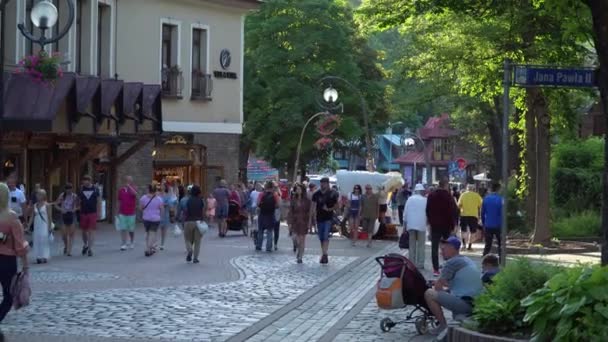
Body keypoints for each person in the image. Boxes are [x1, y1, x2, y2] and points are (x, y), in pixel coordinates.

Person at [424, 237, 483, 338]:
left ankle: (442, 325)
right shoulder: (466, 260)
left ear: (452, 248)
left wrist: (441, 295)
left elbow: (438, 287)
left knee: (429, 293)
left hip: (465, 303)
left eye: (443, 249)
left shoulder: (452, 262)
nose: (441, 253)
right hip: (475, 303)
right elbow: (460, 283)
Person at [0, 182, 29, 332]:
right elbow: (20, 245)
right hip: (7, 261)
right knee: (9, 295)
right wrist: (25, 264)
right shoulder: (12, 217)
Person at [426, 178, 458, 276]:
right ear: (446, 185)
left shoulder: (431, 195)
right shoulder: (448, 196)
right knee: (447, 246)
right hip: (446, 225)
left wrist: (430, 222)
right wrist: (454, 225)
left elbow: (428, 210)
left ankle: (436, 269)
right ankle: (447, 266)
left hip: (435, 225)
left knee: (434, 247)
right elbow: (453, 211)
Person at [311, 177, 339, 264]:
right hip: (319, 218)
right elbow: (313, 206)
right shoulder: (316, 194)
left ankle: (324, 254)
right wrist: (313, 216)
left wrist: (329, 209)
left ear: (327, 183)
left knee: (326, 236)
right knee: (321, 237)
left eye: (324, 183)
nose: (322, 184)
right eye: (321, 183)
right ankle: (324, 253)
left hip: (328, 218)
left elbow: (337, 205)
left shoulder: (333, 193)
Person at [403, 184, 428, 269]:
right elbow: (427, 213)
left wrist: (404, 226)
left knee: (412, 245)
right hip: (421, 225)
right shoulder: (425, 200)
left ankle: (411, 263)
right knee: (421, 245)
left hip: (411, 225)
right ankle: (420, 263)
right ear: (422, 191)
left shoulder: (410, 199)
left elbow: (405, 213)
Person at [78, 175, 101, 257]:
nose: (84, 182)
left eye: (86, 181)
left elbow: (98, 201)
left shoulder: (95, 189)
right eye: (83, 181)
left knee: (91, 231)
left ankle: (90, 249)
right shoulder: (81, 189)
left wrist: (99, 212)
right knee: (84, 231)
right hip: (83, 212)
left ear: (89, 181)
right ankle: (85, 244)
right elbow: (79, 201)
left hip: (92, 212)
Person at [288, 183, 312, 264]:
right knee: (295, 238)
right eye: (296, 189)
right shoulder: (293, 200)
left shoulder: (307, 200)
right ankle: (297, 248)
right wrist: (290, 222)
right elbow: (290, 211)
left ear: (302, 190)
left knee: (302, 240)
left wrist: (309, 223)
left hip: (304, 221)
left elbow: (309, 212)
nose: (298, 190)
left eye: (299, 189)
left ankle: (300, 257)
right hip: (295, 221)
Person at [28, 189, 52, 264]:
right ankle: (38, 256)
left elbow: (49, 217)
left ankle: (44, 256)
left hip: (44, 224)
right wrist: (28, 226)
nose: (38, 196)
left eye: (40, 194)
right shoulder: (35, 205)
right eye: (37, 194)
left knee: (44, 240)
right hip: (37, 224)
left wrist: (49, 227)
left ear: (44, 196)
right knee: (37, 239)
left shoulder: (47, 205)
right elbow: (32, 216)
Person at [183, 185, 205, 264]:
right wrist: (202, 219)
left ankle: (189, 250)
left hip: (189, 221)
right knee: (197, 241)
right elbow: (202, 211)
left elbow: (186, 210)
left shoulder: (188, 200)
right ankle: (195, 258)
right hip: (198, 221)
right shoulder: (201, 200)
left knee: (187, 239)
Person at [140, 184, 164, 257]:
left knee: (147, 233)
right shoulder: (159, 199)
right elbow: (162, 209)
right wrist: (161, 216)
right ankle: (148, 249)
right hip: (155, 219)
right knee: (152, 233)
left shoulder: (143, 198)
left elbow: (141, 208)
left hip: (146, 218)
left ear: (148, 189)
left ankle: (149, 248)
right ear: (155, 190)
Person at [458, 184, 483, 251]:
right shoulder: (477, 196)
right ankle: (469, 246)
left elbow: (459, 205)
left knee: (463, 230)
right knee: (473, 231)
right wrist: (480, 216)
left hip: (464, 215)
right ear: (473, 189)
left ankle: (463, 245)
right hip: (473, 215)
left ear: (467, 188)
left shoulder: (463, 195)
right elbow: (481, 206)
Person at [481, 182, 503, 257]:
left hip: (488, 224)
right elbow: (503, 213)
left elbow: (482, 213)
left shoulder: (486, 199)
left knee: (488, 243)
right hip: (498, 224)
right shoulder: (501, 199)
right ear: (498, 189)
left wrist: (484, 223)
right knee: (500, 243)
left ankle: (484, 257)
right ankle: (501, 259)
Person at [55, 183, 77, 256]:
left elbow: (78, 206)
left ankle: (69, 251)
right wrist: (61, 209)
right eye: (67, 188)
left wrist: (74, 209)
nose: (69, 190)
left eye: (70, 188)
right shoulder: (62, 196)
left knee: (71, 234)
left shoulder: (74, 196)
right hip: (64, 215)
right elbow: (56, 204)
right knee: (64, 234)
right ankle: (66, 245)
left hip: (71, 214)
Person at [256, 181, 279, 252]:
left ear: (265, 187)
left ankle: (259, 246)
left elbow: (257, 204)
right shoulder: (275, 195)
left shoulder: (261, 194)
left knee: (260, 231)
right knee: (269, 232)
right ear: (272, 187)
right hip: (270, 215)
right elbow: (278, 205)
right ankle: (268, 247)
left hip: (262, 214)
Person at [117, 176, 138, 251]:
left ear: (132, 181)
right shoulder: (121, 190)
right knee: (123, 228)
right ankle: (123, 244)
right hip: (122, 212)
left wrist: (129, 187)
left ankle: (132, 241)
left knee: (131, 229)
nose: (128, 182)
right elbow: (119, 201)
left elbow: (135, 194)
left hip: (131, 212)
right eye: (127, 180)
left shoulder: (134, 188)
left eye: (130, 180)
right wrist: (118, 211)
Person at [160, 184, 177, 251]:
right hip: (157, 214)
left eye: (163, 186)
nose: (162, 187)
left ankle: (162, 244)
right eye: (161, 186)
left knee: (164, 230)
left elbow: (171, 205)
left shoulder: (168, 195)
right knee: (156, 229)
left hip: (165, 214)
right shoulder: (157, 194)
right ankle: (154, 243)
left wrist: (165, 204)